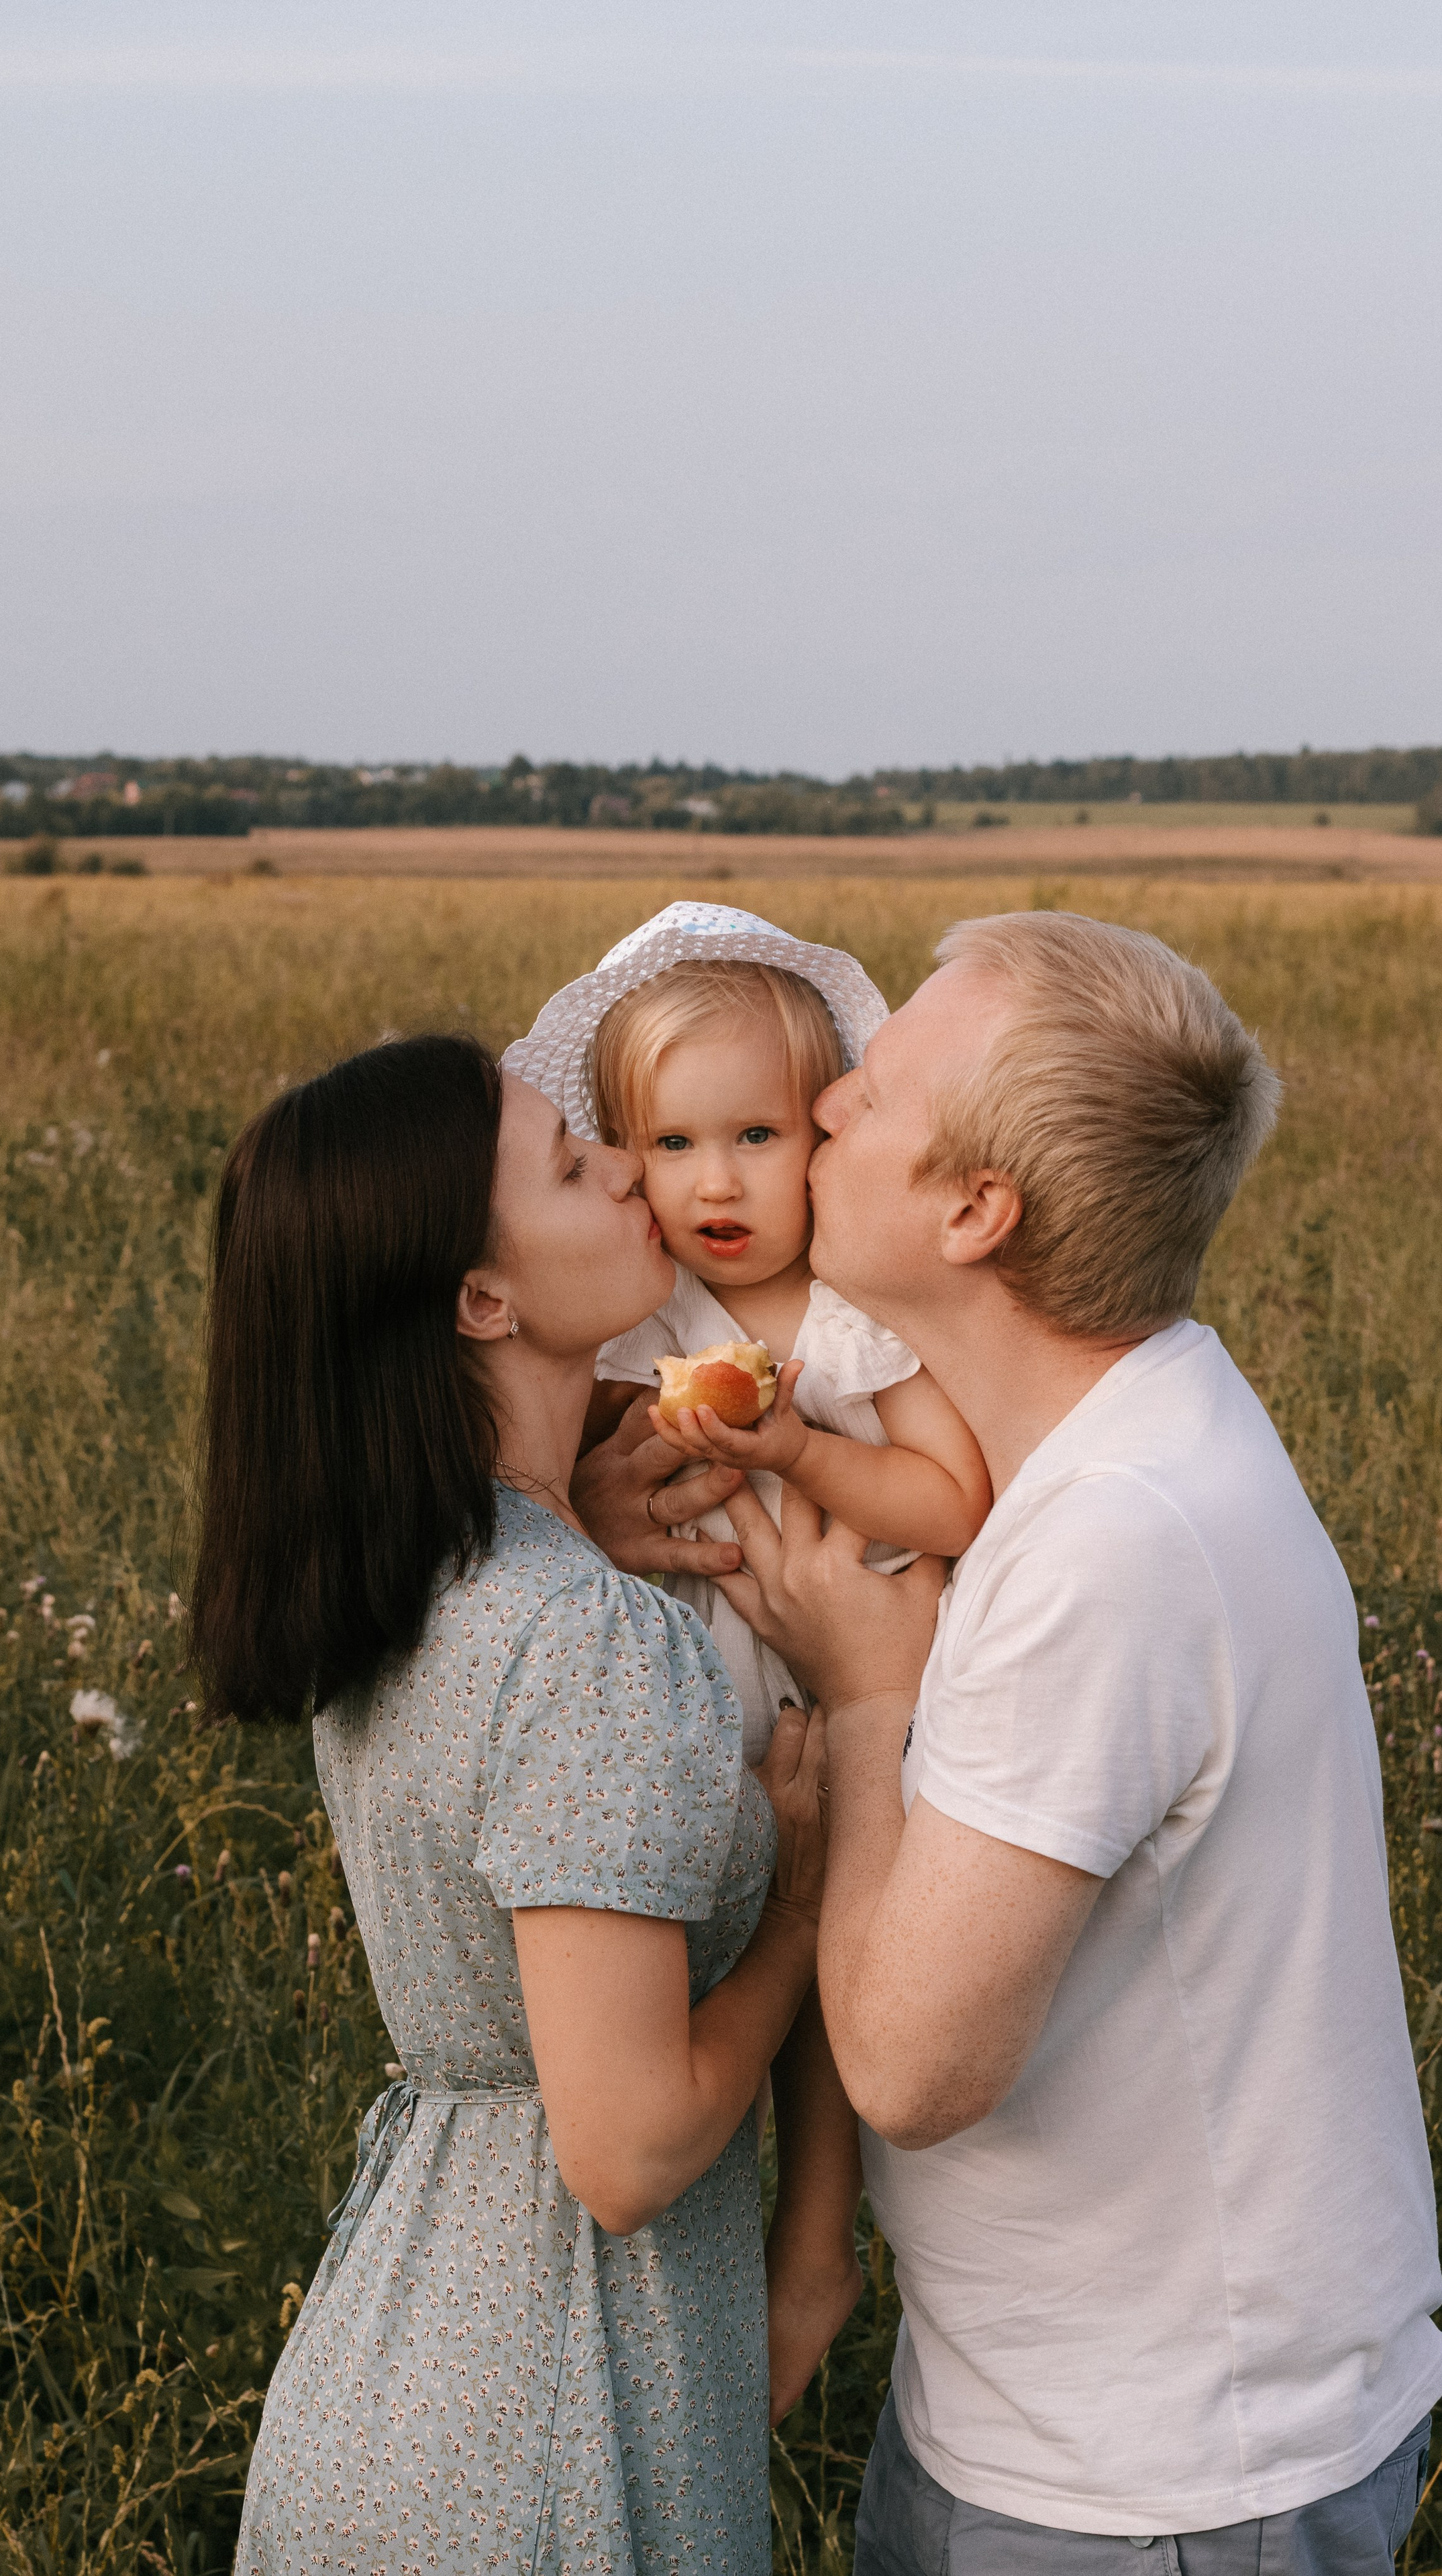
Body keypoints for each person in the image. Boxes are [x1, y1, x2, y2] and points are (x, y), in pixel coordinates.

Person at [582, 911, 1442, 2569]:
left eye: (872, 1091)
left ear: (974, 1211)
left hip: (1162, 2478)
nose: (824, 1100)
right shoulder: (1113, 1431)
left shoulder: (1111, 1544)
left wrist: (857, 1698)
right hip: (1046, 2408)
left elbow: (912, 2065)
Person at [192, 1032, 826, 2575]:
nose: (627, 1165)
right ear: (482, 1301)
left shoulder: (413, 1575)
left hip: (392, 2384)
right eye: (569, 1162)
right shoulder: (574, 1631)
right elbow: (626, 2151)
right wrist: (806, 1891)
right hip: (553, 2429)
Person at [507, 902, 988, 2421]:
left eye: (758, 1137)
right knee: (671, 1965)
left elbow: (946, 1495)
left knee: (836, 1971)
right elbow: (557, 1483)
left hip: (844, 1687)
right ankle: (672, 2247)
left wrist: (797, 1451)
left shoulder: (853, 1323)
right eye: (668, 1146)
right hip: (686, 1700)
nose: (714, 1183)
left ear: (818, 1136)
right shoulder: (639, 1314)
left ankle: (813, 2241)